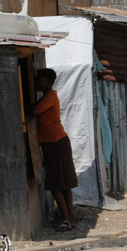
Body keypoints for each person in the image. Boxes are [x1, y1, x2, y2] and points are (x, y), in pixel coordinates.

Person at [31, 68, 78, 231]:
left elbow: (35, 111)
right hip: (56, 142)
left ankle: (67, 219)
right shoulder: (48, 96)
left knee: (56, 184)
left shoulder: (50, 96)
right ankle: (70, 218)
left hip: (56, 143)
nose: (38, 83)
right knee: (63, 184)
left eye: (40, 80)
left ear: (49, 82)